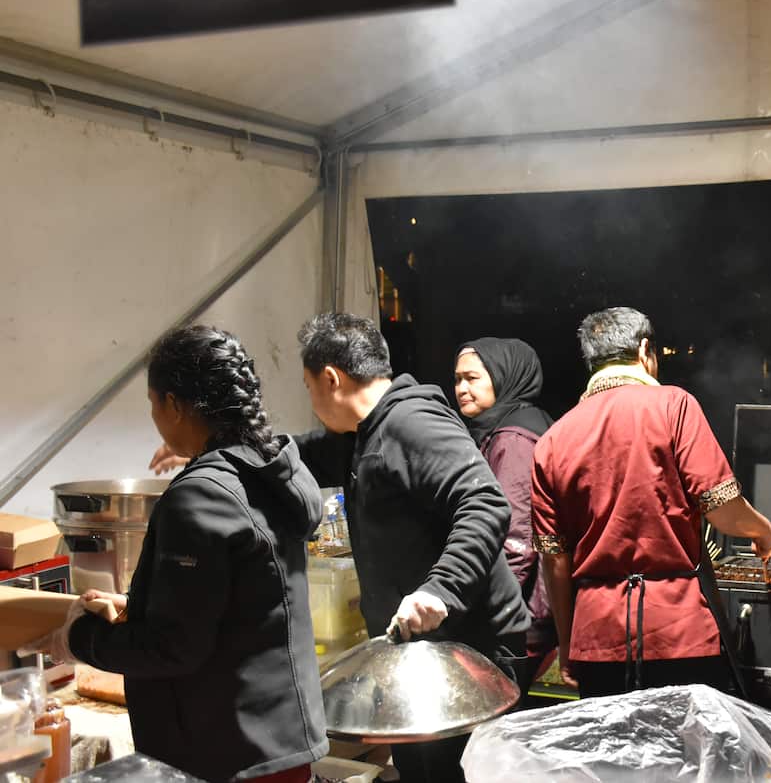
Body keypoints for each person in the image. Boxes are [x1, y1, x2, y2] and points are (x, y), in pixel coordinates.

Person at [39, 325, 328, 782]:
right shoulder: (268, 471)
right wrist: (137, 608)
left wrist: (79, 641)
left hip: (227, 752)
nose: (155, 415)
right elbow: (235, 603)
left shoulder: (200, 496)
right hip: (282, 740)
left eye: (153, 403)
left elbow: (174, 648)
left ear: (174, 404)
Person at [291, 313, 529, 783]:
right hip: (422, 651)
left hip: (469, 647)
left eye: (308, 385)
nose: (312, 400)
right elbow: (304, 451)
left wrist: (438, 590)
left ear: (332, 378)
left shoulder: (412, 422)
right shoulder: (366, 434)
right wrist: (234, 454)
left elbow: (485, 503)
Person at [531, 307, 771, 698]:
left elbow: (554, 560)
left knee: (614, 757)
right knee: (685, 755)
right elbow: (722, 507)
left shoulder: (552, 440)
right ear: (646, 350)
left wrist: (567, 647)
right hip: (679, 631)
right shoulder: (673, 406)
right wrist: (764, 532)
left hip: (597, 639)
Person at [454, 338, 557, 670]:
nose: (461, 388)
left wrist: (491, 611)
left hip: (519, 622)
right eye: (457, 379)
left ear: (503, 376)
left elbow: (515, 538)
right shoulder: (518, 425)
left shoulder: (512, 439)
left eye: (472, 378)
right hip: (526, 614)